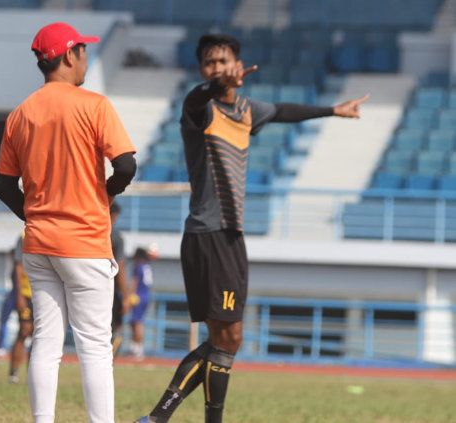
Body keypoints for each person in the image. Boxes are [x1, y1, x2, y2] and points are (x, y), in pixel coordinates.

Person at [135, 34, 368, 423]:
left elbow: (280, 110)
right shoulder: (201, 110)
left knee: (228, 340)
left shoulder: (246, 109)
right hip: (209, 234)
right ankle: (163, 417)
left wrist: (332, 110)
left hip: (230, 235)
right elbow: (194, 99)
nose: (218, 68)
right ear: (202, 71)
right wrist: (215, 85)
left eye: (224, 61)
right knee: (228, 339)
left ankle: (158, 419)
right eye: (210, 63)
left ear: (239, 64)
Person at [0, 22, 137, 423]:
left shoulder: (21, 113)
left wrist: (36, 216)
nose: (86, 58)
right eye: (84, 51)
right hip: (86, 241)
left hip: (40, 244)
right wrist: (106, 195)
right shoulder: (94, 105)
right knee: (94, 345)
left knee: (46, 342)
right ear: (70, 54)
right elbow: (126, 165)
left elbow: (4, 187)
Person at [8, 234, 33, 384]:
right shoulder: (23, 237)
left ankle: (33, 374)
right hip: (26, 293)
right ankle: (13, 372)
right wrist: (19, 295)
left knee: (39, 336)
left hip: (43, 294)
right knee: (24, 330)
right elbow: (18, 266)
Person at [127, 247, 154, 360]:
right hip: (146, 296)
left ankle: (137, 350)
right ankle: (135, 348)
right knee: (135, 322)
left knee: (137, 322)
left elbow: (134, 282)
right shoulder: (147, 267)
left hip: (138, 296)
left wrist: (128, 296)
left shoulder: (138, 266)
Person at [109, 202, 129, 356]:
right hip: (110, 289)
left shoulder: (88, 231)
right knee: (116, 328)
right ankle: (108, 361)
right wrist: (126, 297)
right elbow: (120, 268)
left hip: (88, 284)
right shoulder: (116, 237)